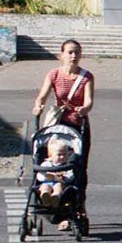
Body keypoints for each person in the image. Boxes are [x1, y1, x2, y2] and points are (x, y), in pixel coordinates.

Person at [31, 39, 93, 230]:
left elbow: (90, 100)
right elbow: (43, 94)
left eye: (76, 53)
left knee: (78, 169)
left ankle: (77, 209)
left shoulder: (86, 76)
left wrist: (84, 108)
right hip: (58, 126)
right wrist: (38, 105)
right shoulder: (54, 74)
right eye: (69, 52)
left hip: (78, 126)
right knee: (54, 163)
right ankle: (51, 201)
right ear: (61, 55)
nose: (73, 56)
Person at [36, 138, 75, 207]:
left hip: (60, 183)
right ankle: (45, 196)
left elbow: (71, 177)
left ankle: (56, 197)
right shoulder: (46, 164)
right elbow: (39, 175)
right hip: (47, 182)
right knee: (45, 187)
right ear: (51, 155)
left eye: (64, 154)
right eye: (59, 155)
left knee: (58, 187)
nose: (62, 157)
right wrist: (46, 176)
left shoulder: (67, 165)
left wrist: (63, 178)